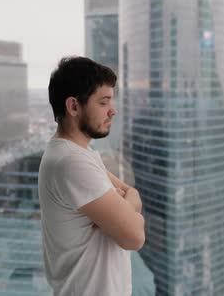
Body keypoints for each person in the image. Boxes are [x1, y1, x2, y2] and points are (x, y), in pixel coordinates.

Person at [38, 56, 145, 296]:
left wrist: (123, 205)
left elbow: (132, 192)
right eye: (103, 102)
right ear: (74, 106)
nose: (113, 111)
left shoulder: (81, 155)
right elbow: (135, 237)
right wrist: (126, 209)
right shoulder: (72, 163)